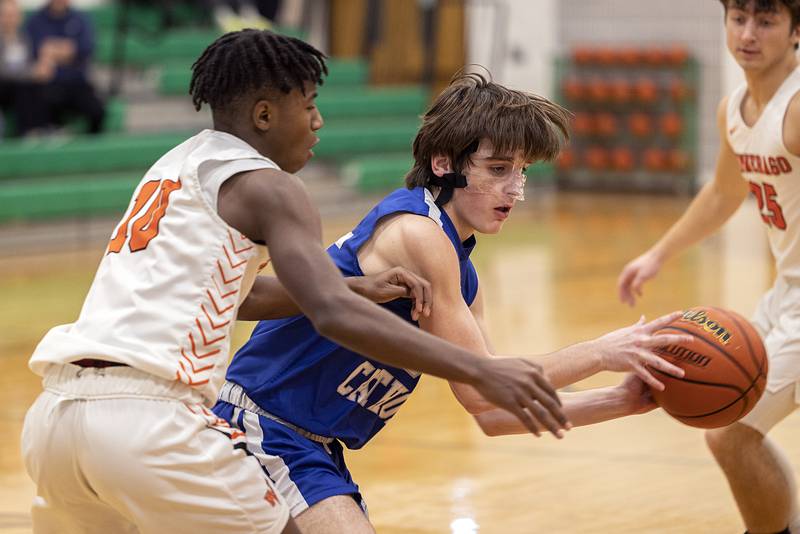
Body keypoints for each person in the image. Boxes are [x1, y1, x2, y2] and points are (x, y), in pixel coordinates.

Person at [21, 31, 571, 533]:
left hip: (56, 417)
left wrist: (355, 288)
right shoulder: (273, 189)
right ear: (264, 114)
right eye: (307, 105)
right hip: (151, 422)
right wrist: (478, 369)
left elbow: (234, 295)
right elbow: (331, 316)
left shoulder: (177, 164)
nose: (318, 121)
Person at [212, 70, 692, 533]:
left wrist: (621, 400)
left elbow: (491, 411)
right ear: (444, 164)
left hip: (311, 447)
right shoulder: (419, 233)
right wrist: (604, 352)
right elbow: (487, 388)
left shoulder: (464, 275)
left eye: (522, 171)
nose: (514, 188)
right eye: (498, 169)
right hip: (261, 425)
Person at [617, 2, 800, 532]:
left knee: (730, 429)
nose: (748, 33)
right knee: (731, 423)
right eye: (739, 17)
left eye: (766, 21)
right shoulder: (735, 109)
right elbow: (723, 193)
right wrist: (657, 254)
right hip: (786, 292)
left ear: (795, 31)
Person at [25, 0, 105, 134]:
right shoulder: (35, 21)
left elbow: (85, 49)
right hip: (48, 84)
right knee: (41, 102)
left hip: (77, 83)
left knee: (97, 111)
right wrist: (66, 51)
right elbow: (33, 52)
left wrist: (52, 51)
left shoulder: (80, 18)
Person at [0, 0, 53, 136]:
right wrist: (31, 73)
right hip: (5, 86)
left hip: (20, 85)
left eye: (13, 15)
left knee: (38, 86)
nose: (10, 19)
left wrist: (41, 69)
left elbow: (28, 63)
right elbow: (4, 71)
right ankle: (26, 131)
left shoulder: (23, 38)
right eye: (6, 15)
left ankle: (41, 128)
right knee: (24, 86)